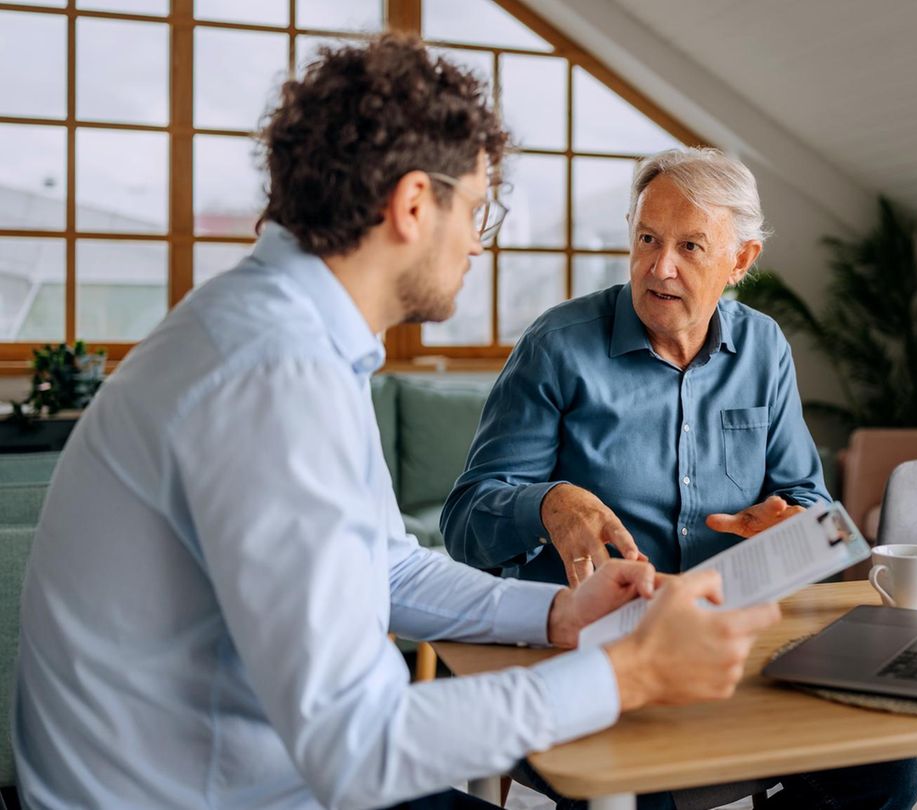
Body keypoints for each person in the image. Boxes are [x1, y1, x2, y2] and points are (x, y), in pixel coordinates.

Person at [12, 36, 783, 810]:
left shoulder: (287, 335)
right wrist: (628, 673)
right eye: (476, 209)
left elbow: (387, 567)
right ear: (415, 204)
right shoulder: (273, 374)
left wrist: (558, 612)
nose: (478, 241)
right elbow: (361, 748)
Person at [442, 147, 917, 809]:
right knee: (641, 794)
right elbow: (466, 519)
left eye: (690, 246)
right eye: (647, 239)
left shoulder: (764, 348)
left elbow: (811, 502)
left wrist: (791, 525)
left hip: (732, 649)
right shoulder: (557, 346)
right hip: (590, 656)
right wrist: (547, 503)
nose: (659, 266)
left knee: (889, 778)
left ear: (741, 260)